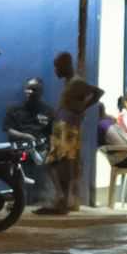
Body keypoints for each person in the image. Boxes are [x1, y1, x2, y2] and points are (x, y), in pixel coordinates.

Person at [40, 51, 102, 215]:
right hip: (62, 126)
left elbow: (97, 93)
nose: (55, 71)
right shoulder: (69, 82)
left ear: (66, 66)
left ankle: (63, 199)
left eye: (57, 67)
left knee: (59, 163)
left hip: (68, 127)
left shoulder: (76, 82)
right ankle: (63, 199)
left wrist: (82, 108)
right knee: (57, 163)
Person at [1, 76, 55, 205]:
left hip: (40, 150)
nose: (30, 92)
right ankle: (19, 199)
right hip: (20, 149)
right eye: (28, 89)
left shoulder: (48, 111)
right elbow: (8, 129)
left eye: (34, 89)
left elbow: (52, 133)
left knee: (42, 162)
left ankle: (39, 199)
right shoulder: (14, 110)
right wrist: (25, 136)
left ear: (41, 91)